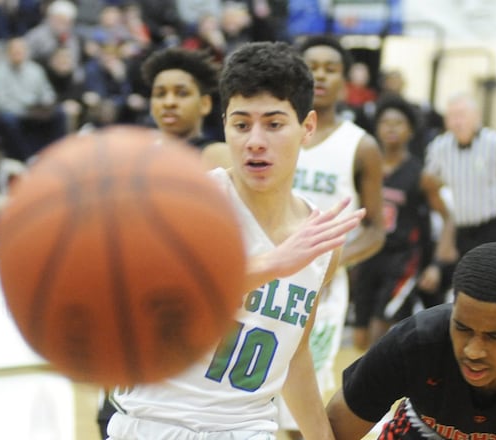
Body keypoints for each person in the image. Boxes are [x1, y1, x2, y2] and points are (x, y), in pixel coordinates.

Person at [105, 41, 365, 440]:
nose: (255, 141)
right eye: (241, 125)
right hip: (158, 423)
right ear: (225, 124)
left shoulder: (319, 240)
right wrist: (270, 265)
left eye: (274, 124)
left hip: (248, 427)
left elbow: (293, 355)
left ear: (307, 128)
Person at [326, 242, 496, 439]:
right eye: (462, 328)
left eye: (495, 336)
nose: (473, 351)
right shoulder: (413, 343)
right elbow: (332, 432)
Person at [95, 45, 230, 439]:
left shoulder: (215, 155)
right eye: (160, 93)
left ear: (206, 103)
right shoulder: (130, 157)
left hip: (182, 310)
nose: (169, 101)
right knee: (112, 417)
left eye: (181, 92)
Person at [276, 35, 386, 438]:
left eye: (330, 67)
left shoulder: (361, 145)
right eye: (312, 66)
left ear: (346, 78)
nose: (320, 74)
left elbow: (376, 228)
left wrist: (331, 262)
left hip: (321, 293)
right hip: (265, 280)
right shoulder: (275, 131)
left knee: (297, 408)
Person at [351, 96, 454, 350]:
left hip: (403, 260)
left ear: (410, 131)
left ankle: (372, 387)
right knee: (359, 338)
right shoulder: (365, 168)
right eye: (385, 122)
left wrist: (437, 264)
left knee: (380, 329)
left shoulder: (422, 175)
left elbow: (448, 218)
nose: (391, 128)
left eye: (399, 123)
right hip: (368, 255)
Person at [425, 93, 496, 259]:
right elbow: (429, 183)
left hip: (495, 225)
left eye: (461, 115)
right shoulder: (438, 147)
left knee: (495, 279)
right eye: (451, 116)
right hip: (461, 228)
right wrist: (446, 224)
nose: (457, 122)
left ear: (476, 117)